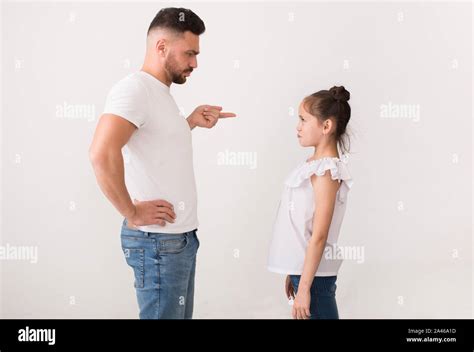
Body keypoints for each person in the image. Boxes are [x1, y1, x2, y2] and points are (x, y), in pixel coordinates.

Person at [89, 7, 236, 319]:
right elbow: (101, 153)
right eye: (189, 54)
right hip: (157, 244)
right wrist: (130, 210)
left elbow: (155, 143)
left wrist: (190, 122)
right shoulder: (134, 89)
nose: (195, 63)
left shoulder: (160, 94)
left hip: (179, 241)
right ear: (161, 47)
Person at [267, 86, 353, 319]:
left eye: (304, 120)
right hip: (306, 273)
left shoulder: (327, 172)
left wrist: (305, 287)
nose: (298, 126)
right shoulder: (312, 166)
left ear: (326, 126)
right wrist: (294, 270)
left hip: (315, 279)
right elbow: (299, 225)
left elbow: (319, 235)